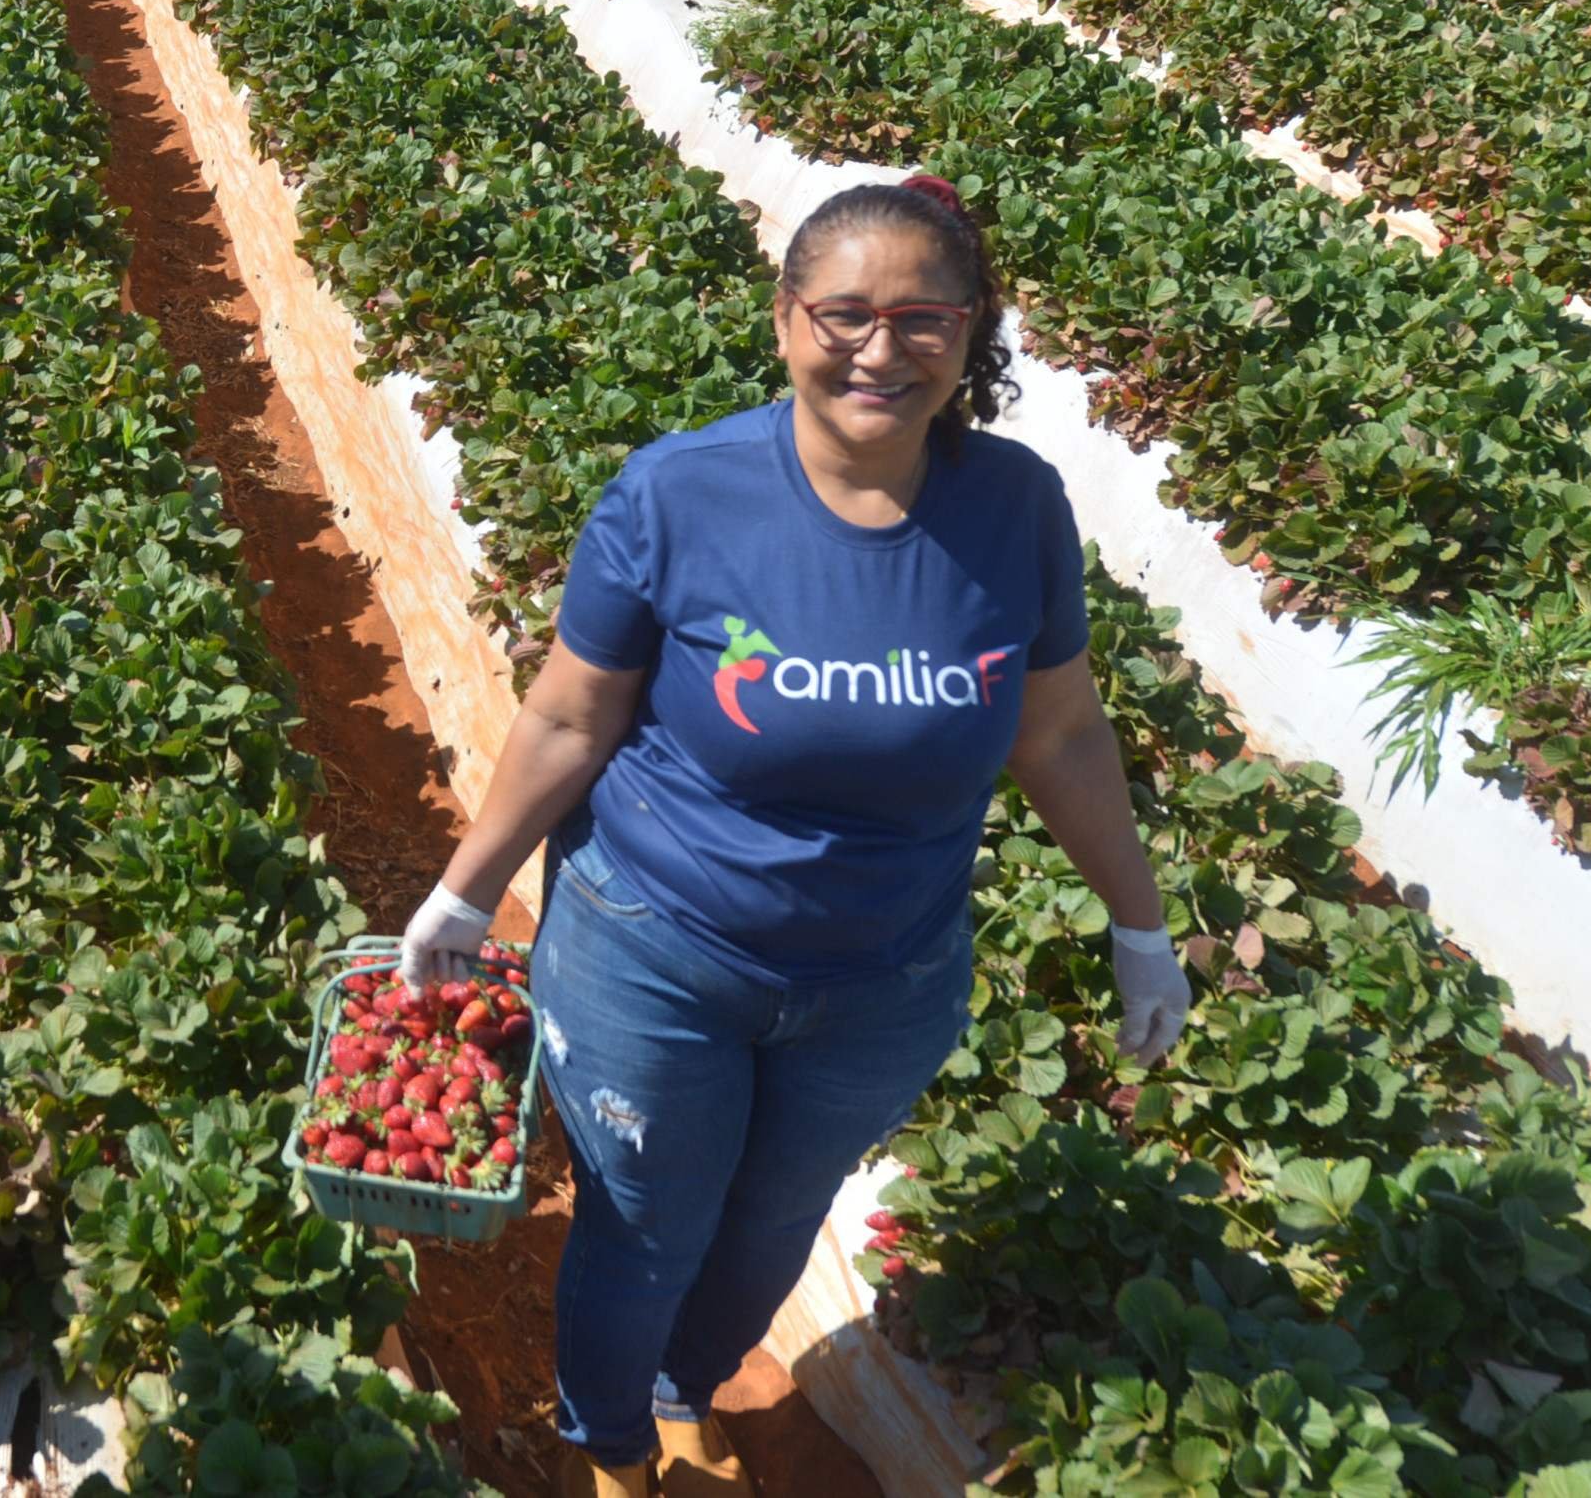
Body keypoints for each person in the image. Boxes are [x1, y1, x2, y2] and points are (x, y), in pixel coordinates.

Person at [396, 177, 1192, 1498]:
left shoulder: (1014, 507)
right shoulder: (680, 494)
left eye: (922, 318)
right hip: (658, 946)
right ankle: (608, 1445)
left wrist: (1142, 923)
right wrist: (464, 895)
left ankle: (678, 1390)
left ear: (972, 329)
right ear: (787, 321)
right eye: (846, 314)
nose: (880, 350)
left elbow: (1058, 736)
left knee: (768, 1226)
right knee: (646, 1223)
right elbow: (569, 718)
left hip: (883, 976)